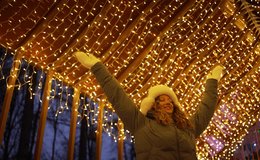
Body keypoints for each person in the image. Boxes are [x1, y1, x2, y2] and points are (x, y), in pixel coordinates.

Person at [74, 51, 224, 160]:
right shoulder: (141, 123)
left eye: (170, 100)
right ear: (153, 105)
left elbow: (206, 109)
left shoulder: (188, 126)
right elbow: (118, 96)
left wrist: (212, 83)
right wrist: (97, 67)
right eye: (162, 100)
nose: (168, 103)